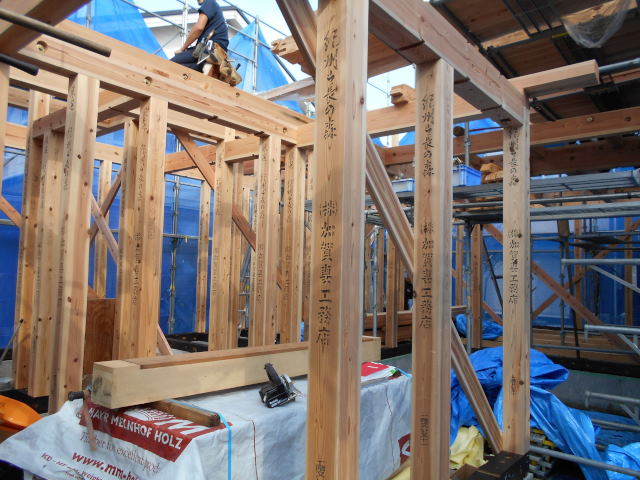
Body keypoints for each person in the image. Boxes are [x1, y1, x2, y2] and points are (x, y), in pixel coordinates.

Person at [170, 0, 229, 71]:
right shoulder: (215, 8)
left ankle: (204, 67)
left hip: (209, 48)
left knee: (170, 64)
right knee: (188, 68)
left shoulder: (209, 2)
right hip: (215, 52)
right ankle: (204, 68)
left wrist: (182, 49)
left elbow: (199, 28)